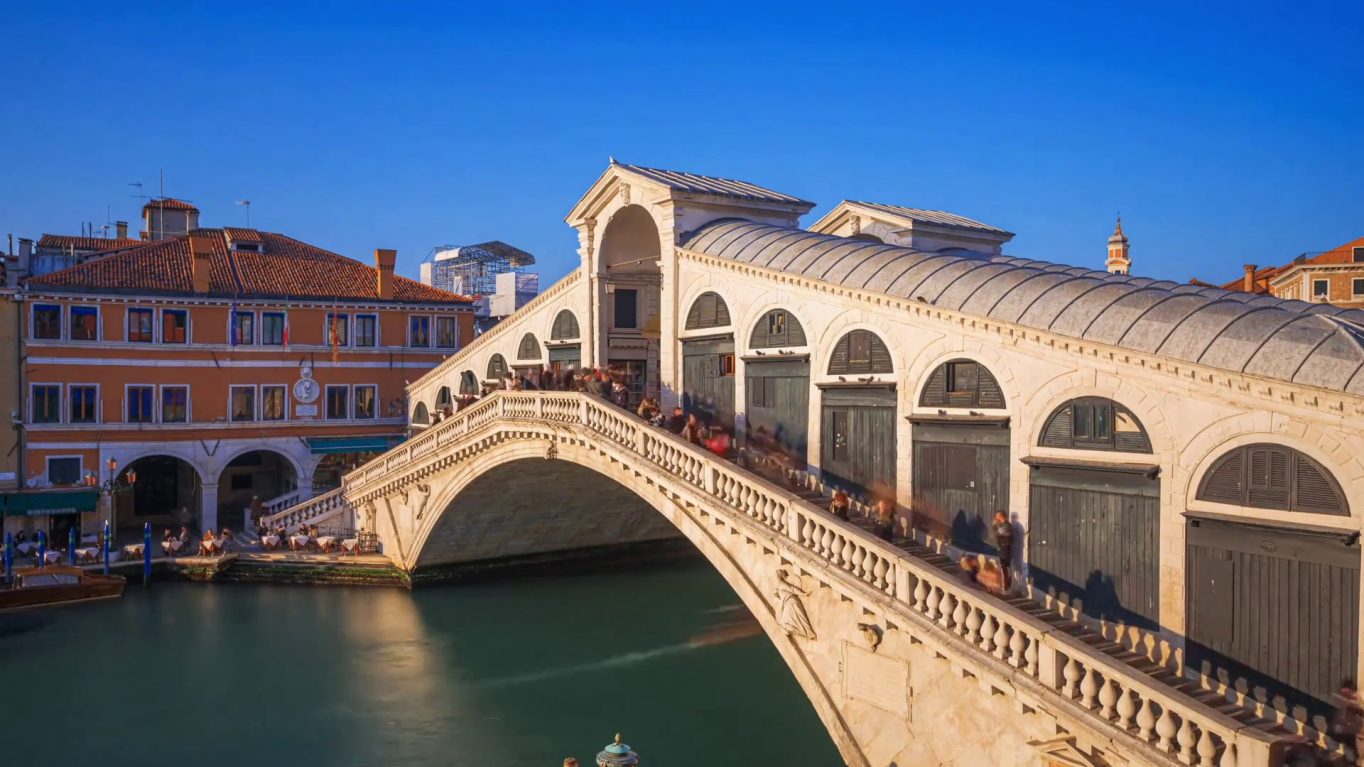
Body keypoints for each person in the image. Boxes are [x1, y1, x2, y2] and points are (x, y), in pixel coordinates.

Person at [1330, 679, 1363, 764]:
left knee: (1351, 756)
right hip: (1339, 731)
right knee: (1333, 751)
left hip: (1350, 733)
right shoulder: (1340, 703)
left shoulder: (1356, 702)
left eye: (1348, 694)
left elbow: (1359, 708)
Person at [991, 510, 1015, 590]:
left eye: (997, 516)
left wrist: (994, 526)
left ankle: (1006, 585)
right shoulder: (1003, 525)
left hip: (1005, 548)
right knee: (1003, 566)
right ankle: (1005, 585)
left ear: (1000, 516)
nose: (995, 518)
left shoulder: (1006, 525)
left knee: (1005, 566)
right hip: (1003, 548)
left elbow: (997, 533)